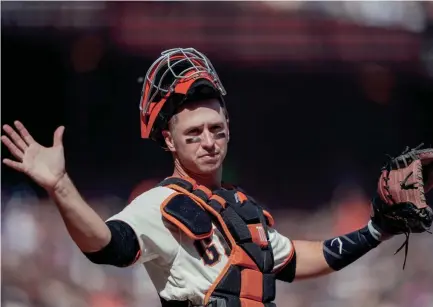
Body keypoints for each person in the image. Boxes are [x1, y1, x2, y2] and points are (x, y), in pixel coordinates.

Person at [1, 48, 430, 307]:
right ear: (169, 141)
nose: (208, 141)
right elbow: (107, 246)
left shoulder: (243, 209)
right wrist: (60, 187)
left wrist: (376, 230)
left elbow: (297, 261)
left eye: (216, 129)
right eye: (193, 133)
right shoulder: (160, 203)